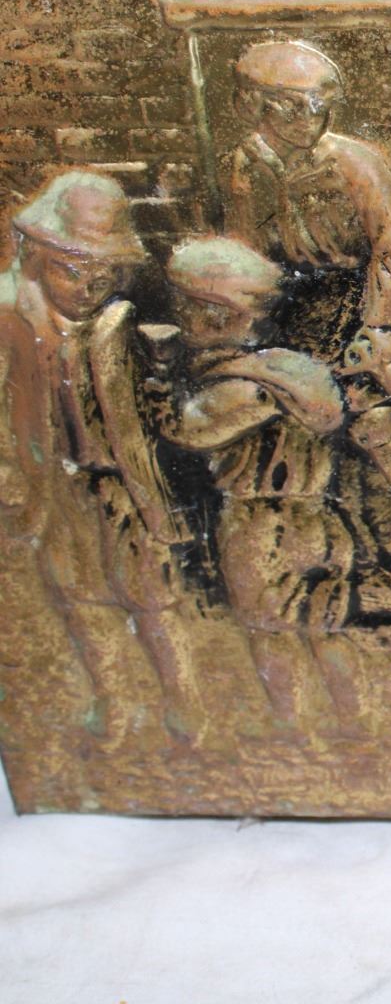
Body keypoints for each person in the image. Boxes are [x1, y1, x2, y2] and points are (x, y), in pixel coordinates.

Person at [224, 39, 391, 586]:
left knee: (376, 423)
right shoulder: (245, 165)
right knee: (299, 422)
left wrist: (381, 325)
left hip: (355, 301)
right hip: (288, 310)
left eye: (319, 104)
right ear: (257, 104)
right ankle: (337, 543)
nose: (308, 117)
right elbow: (243, 247)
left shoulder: (353, 161)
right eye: (291, 105)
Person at [0, 170, 203, 746]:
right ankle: (115, 703)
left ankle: (184, 704)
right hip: (54, 487)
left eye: (103, 275)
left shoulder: (118, 324)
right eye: (71, 270)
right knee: (81, 600)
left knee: (154, 599)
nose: (88, 287)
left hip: (121, 488)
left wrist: (163, 382)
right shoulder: (13, 320)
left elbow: (144, 424)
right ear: (35, 257)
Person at [148, 237, 365, 740]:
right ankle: (354, 719)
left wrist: (159, 379)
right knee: (326, 629)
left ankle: (292, 727)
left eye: (187, 306)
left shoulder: (243, 386)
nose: (180, 316)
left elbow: (188, 429)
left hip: (261, 527)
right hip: (322, 521)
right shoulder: (297, 373)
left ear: (219, 316)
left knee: (271, 633)